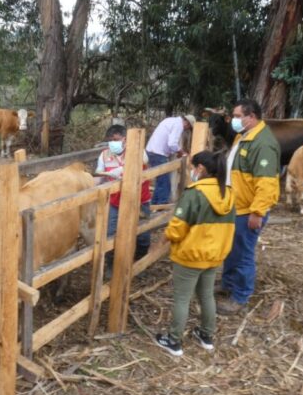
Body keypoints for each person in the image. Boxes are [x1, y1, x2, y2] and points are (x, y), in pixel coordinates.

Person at [155, 151, 235, 356]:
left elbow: (178, 227)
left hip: (191, 255)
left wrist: (165, 238)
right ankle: (206, 336)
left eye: (192, 167)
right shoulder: (228, 193)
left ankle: (174, 341)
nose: (191, 171)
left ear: (200, 169)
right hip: (214, 255)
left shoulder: (194, 193)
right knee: (206, 294)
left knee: (182, 298)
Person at [217, 99, 280, 315]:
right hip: (235, 205)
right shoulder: (243, 136)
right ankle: (227, 285)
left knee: (243, 253)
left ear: (251, 116)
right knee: (230, 248)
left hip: (248, 210)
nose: (233, 120)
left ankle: (240, 296)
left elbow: (267, 183)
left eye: (236, 116)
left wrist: (257, 212)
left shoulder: (263, 144)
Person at [95, 124, 152, 277]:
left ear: (125, 139)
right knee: (110, 234)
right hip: (115, 202)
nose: (112, 143)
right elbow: (99, 177)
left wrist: (119, 171)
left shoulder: (138, 151)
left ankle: (139, 263)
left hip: (139, 200)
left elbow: (144, 159)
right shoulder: (105, 155)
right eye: (110, 140)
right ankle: (110, 266)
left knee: (143, 235)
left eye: (116, 140)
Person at [146, 114, 196, 205]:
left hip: (153, 150)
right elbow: (172, 143)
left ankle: (155, 204)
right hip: (158, 153)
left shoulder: (171, 120)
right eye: (188, 128)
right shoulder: (178, 125)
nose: (186, 130)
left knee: (160, 180)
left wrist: (176, 152)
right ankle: (162, 205)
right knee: (165, 182)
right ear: (187, 124)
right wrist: (181, 152)